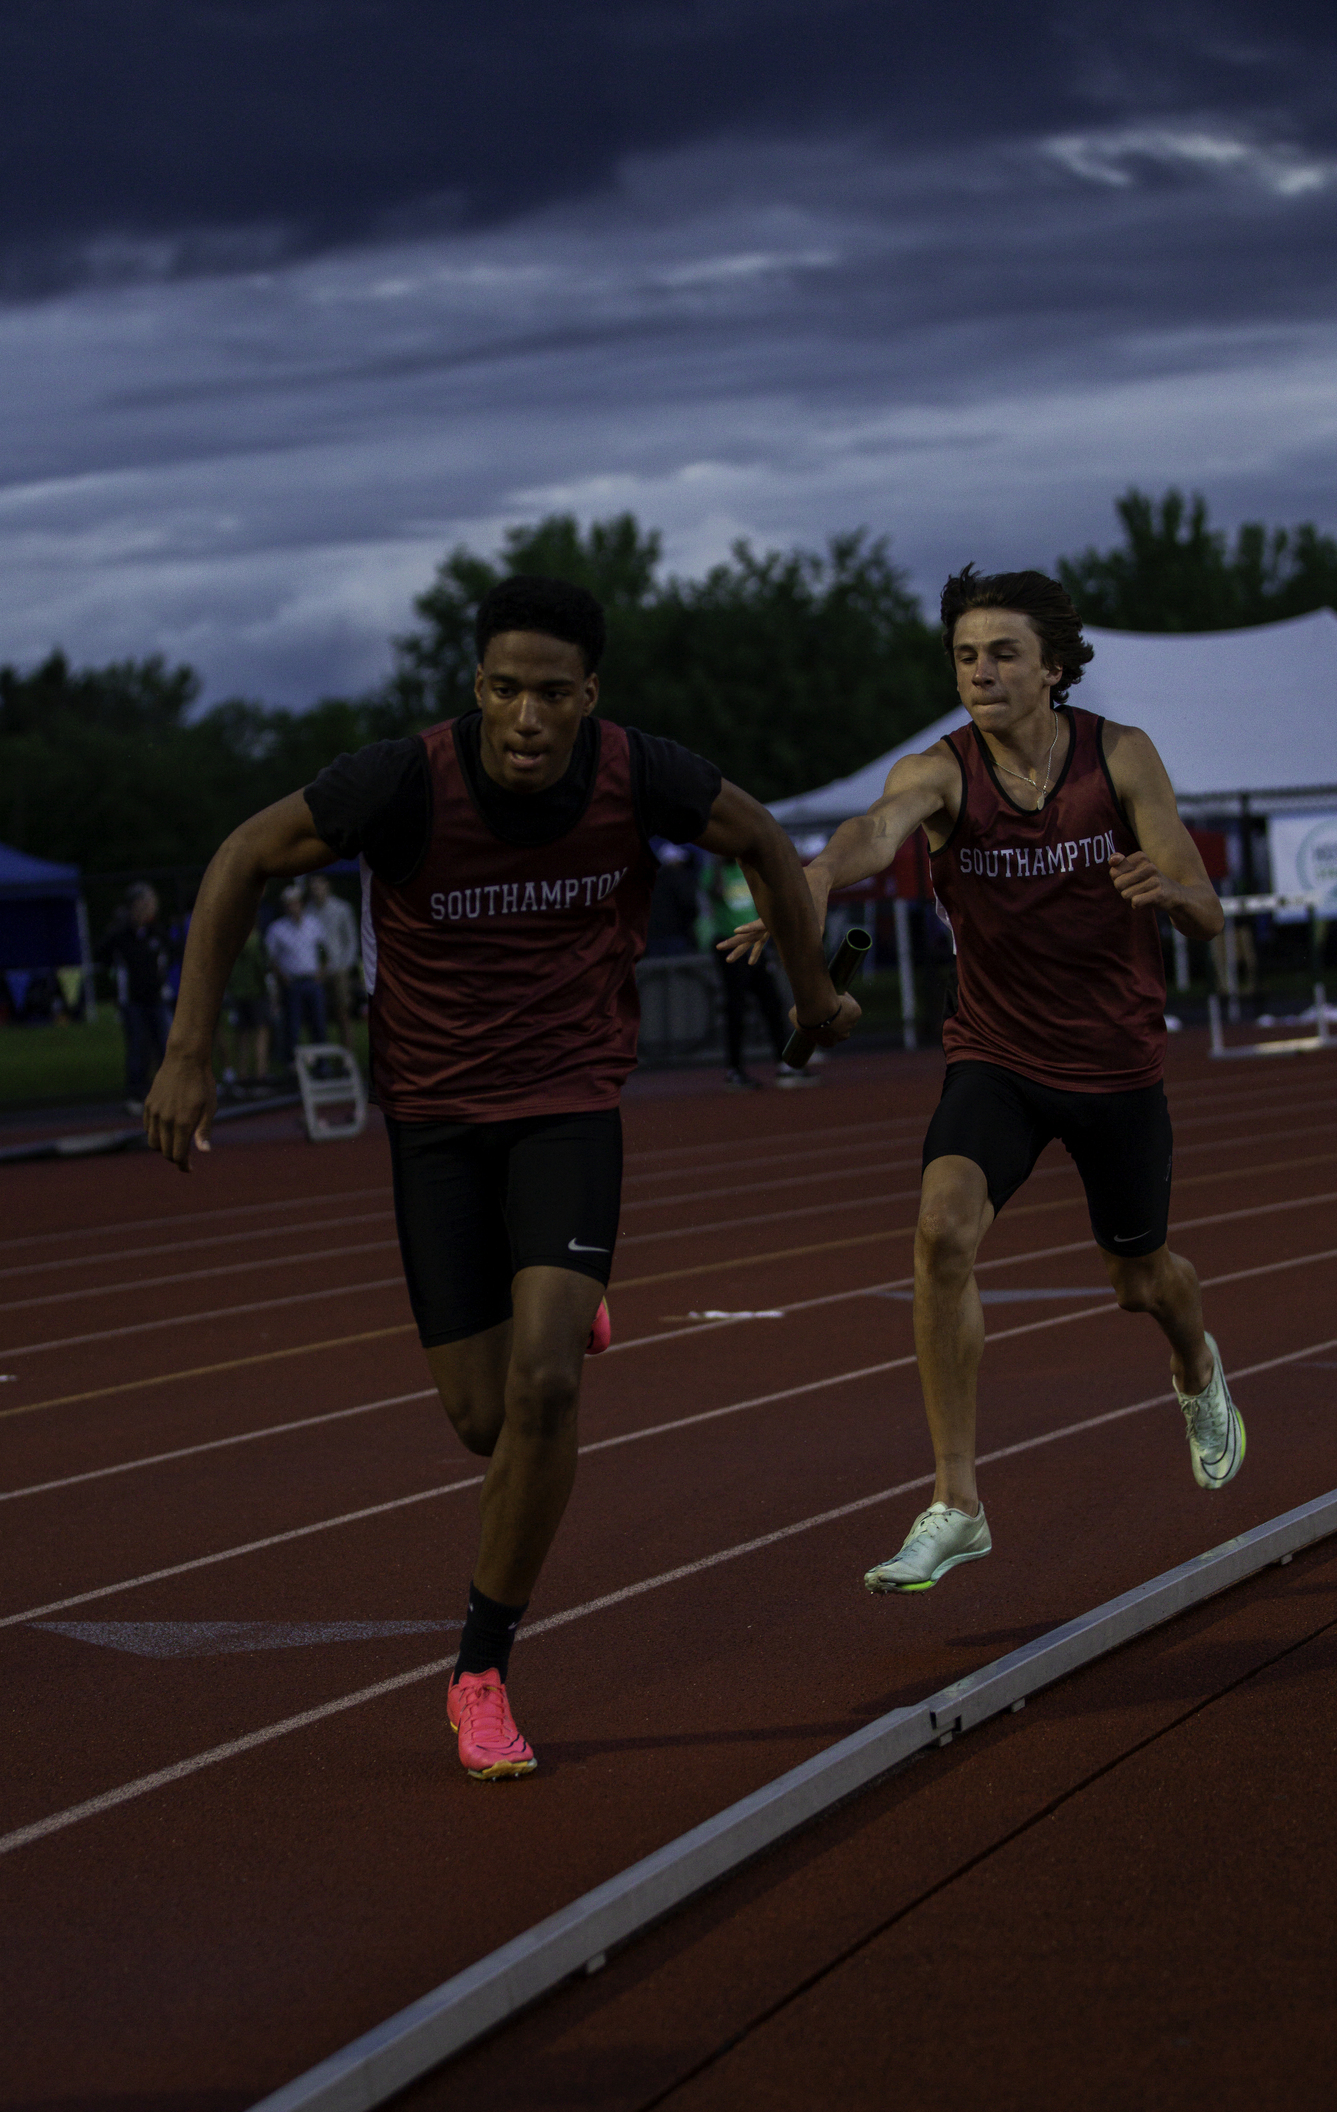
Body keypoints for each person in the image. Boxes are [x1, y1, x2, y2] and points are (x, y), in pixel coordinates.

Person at [143, 573, 859, 1778]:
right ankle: (557, 1296)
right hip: (432, 1123)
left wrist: (811, 991)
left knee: (544, 1390)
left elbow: (763, 843)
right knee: (485, 1422)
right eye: (506, 691)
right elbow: (239, 859)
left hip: (568, 1107)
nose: (528, 719)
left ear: (592, 696)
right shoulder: (404, 783)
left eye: (552, 696)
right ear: (478, 688)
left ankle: (480, 1666)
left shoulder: (642, 774)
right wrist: (188, 1051)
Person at [722, 564, 1242, 1597]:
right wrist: (817, 878)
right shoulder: (943, 772)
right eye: (965, 656)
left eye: (1003, 654)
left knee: (1141, 1282)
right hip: (998, 1056)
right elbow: (878, 828)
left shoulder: (1120, 756)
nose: (980, 673)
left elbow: (1206, 905)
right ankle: (956, 1502)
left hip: (1117, 1062)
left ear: (1053, 667)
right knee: (942, 1232)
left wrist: (1170, 891)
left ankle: (1197, 1367)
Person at [707, 857, 812, 1090]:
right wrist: (717, 865)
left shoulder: (749, 869)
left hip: (755, 945)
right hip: (731, 944)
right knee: (736, 1007)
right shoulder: (714, 871)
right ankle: (734, 1070)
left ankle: (786, 1064)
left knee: (772, 1003)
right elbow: (716, 892)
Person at [101, 882, 172, 1111]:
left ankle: (166, 1092)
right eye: (146, 902)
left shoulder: (157, 933)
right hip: (132, 1000)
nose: (151, 907)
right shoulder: (120, 935)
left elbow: (170, 954)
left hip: (156, 998)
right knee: (137, 1047)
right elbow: (102, 955)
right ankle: (136, 1093)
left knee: (165, 1044)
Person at [265, 883, 327, 1065]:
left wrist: (322, 971)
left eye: (295, 903)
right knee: (292, 1026)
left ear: (301, 903)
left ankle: (322, 1063)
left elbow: (323, 949)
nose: (293, 907)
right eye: (289, 904)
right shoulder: (277, 929)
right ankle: (292, 1065)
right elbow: (271, 957)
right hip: (292, 983)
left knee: (318, 1024)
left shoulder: (313, 924)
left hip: (312, 980)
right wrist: (281, 976)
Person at [308, 871, 361, 1050]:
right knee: (318, 1015)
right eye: (313, 886)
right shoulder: (308, 911)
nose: (317, 889)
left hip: (339, 968)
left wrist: (346, 965)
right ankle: (323, 1057)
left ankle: (348, 1055)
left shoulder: (341, 908)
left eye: (320, 885)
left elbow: (351, 939)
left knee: (342, 1013)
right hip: (318, 970)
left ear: (327, 885)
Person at [217, 923, 273, 1089]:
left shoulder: (231, 941)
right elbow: (262, 966)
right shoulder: (255, 941)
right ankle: (260, 1074)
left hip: (237, 994)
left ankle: (242, 1075)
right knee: (261, 1031)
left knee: (241, 1035)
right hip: (256, 992)